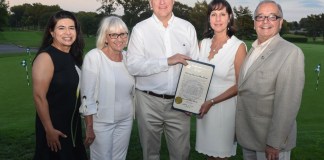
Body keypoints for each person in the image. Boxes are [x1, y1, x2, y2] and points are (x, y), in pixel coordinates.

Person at [126, 0, 199, 159]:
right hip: (148, 102)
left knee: (181, 154)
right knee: (150, 153)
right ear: (150, 3)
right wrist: (166, 61)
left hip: (179, 103)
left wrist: (191, 100)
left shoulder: (187, 28)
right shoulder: (140, 30)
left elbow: (195, 67)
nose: (162, 2)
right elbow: (133, 66)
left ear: (173, 1)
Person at [235, 1, 305, 160]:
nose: (265, 21)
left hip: (271, 144)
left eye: (272, 17)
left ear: (280, 23)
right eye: (260, 17)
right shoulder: (253, 49)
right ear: (254, 23)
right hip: (249, 137)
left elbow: (288, 103)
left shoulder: (291, 52)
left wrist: (275, 142)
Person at [195, 0, 247, 159]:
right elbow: (194, 76)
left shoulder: (238, 47)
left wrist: (211, 102)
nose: (218, 19)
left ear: (229, 17)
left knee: (219, 156)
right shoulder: (202, 44)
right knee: (208, 156)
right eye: (214, 14)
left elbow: (240, 86)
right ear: (209, 19)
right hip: (204, 110)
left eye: (222, 14)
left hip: (224, 110)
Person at [32, 10, 87, 160]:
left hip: (73, 127)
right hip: (54, 128)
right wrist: (49, 130)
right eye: (61, 28)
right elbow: (39, 96)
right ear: (51, 31)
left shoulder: (73, 56)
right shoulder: (46, 57)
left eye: (71, 27)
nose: (67, 32)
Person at [80, 16, 134, 160]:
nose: (119, 38)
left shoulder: (128, 57)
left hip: (126, 119)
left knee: (119, 158)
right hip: (101, 122)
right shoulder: (94, 57)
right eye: (114, 35)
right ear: (105, 37)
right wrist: (89, 127)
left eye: (123, 34)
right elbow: (87, 96)